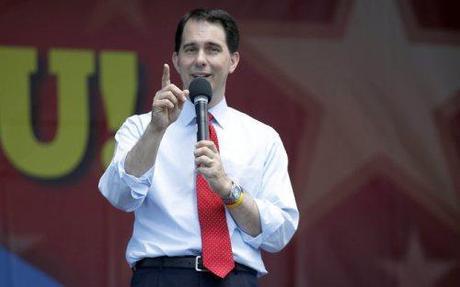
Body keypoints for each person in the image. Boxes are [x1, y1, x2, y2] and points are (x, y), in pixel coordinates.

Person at [98, 8, 299, 287]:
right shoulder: (142, 127)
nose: (200, 60)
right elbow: (119, 195)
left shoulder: (262, 138)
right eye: (191, 49)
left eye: (213, 49)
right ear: (176, 60)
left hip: (236, 278)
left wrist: (229, 190)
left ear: (233, 61)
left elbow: (279, 234)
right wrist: (156, 131)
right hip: (163, 275)